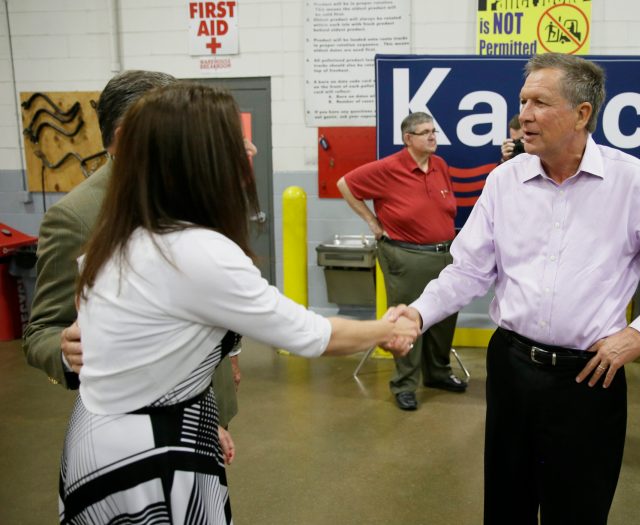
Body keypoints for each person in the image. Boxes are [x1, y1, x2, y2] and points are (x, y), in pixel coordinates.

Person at [59, 83, 418, 523]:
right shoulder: (194, 251)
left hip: (114, 437)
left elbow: (153, 360)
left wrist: (200, 417)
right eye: (234, 138)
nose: (250, 146)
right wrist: (390, 329)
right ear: (198, 159)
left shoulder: (124, 234)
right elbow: (310, 335)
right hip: (145, 459)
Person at [391, 53, 640, 523]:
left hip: (589, 380)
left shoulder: (632, 184)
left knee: (577, 510)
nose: (524, 114)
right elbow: (468, 271)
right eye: (523, 100)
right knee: (507, 505)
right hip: (512, 369)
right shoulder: (505, 182)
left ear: (582, 114)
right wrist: (418, 314)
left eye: (540, 102)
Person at [22, 70, 242, 461]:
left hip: (207, 406)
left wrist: (232, 353)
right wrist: (61, 349)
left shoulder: (190, 195)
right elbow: (41, 330)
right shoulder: (76, 219)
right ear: (126, 138)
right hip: (136, 429)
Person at [337, 111, 464, 411]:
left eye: (434, 131)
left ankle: (438, 373)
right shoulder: (389, 167)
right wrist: (371, 220)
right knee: (408, 321)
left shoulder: (440, 165)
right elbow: (345, 184)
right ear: (409, 139)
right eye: (425, 132)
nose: (433, 136)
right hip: (406, 257)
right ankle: (405, 384)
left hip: (444, 255)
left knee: (444, 318)